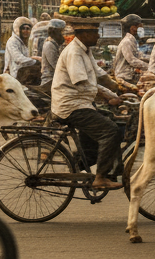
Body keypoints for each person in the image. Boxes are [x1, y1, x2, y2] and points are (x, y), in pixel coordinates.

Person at [50, 21, 125, 191]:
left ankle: (79, 168)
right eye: (95, 32)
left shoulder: (85, 50)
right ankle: (100, 177)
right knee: (111, 131)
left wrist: (119, 89)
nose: (98, 36)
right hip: (72, 106)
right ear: (84, 34)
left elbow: (99, 74)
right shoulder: (74, 52)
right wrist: (107, 96)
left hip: (82, 104)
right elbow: (82, 83)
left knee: (96, 138)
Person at [112, 14, 148, 84]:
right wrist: (149, 66)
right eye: (140, 28)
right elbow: (132, 60)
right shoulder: (127, 42)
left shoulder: (132, 41)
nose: (142, 31)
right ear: (132, 28)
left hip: (129, 76)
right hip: (124, 77)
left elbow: (139, 56)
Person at [40, 19, 65, 86]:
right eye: (62, 33)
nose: (64, 36)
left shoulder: (58, 44)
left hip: (58, 80)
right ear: (55, 33)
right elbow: (57, 66)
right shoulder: (49, 45)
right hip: (49, 82)